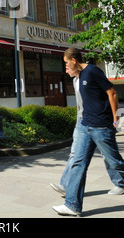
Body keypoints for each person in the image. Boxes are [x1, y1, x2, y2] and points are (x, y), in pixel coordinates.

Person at [52, 48, 124, 216]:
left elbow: (112, 92)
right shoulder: (80, 76)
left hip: (101, 126)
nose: (65, 66)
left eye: (66, 62)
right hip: (85, 126)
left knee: (114, 162)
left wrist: (116, 118)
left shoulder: (92, 71)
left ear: (74, 60)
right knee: (78, 163)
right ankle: (72, 205)